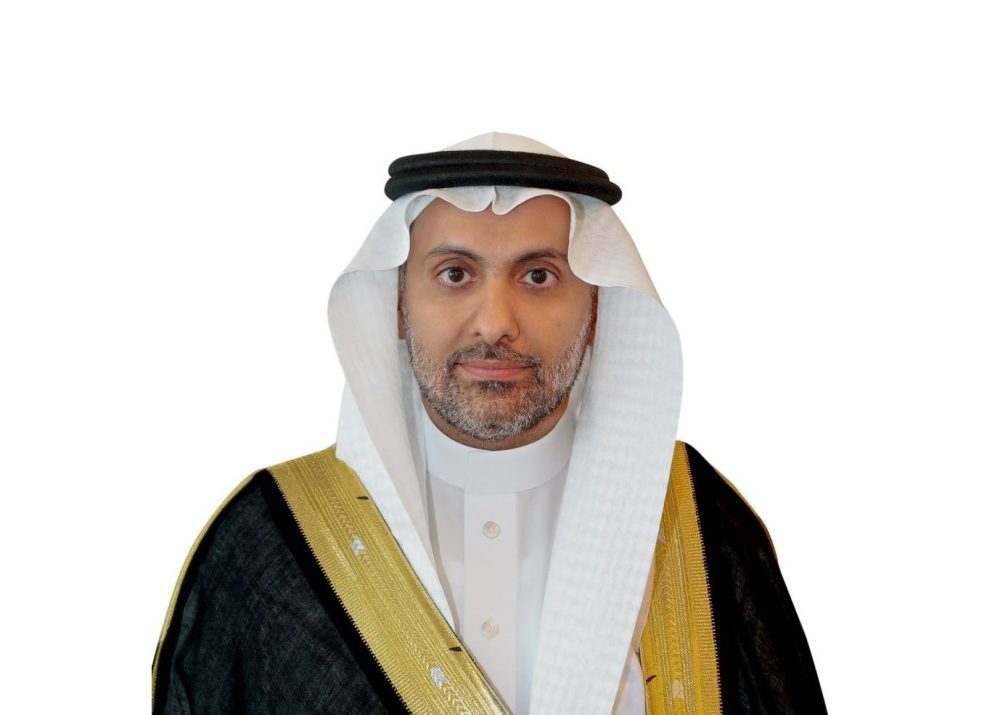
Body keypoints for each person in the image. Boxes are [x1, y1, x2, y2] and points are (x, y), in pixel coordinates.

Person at [152, 133, 826, 714]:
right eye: (455, 273)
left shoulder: (701, 524)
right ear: (397, 305)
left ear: (596, 310)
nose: (496, 322)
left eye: (538, 276)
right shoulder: (269, 544)